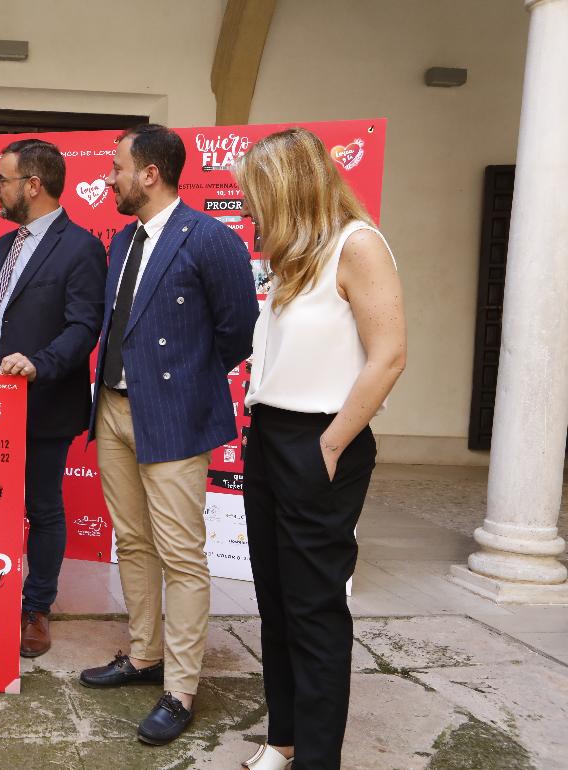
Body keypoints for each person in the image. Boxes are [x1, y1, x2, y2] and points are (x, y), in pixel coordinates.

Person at [79, 124, 258, 746]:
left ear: (149, 173)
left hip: (175, 416)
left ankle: (180, 689)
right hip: (114, 411)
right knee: (131, 542)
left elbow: (238, 330)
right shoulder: (124, 238)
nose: (109, 178)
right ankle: (143, 655)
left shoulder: (211, 240)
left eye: (117, 168)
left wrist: (183, 382)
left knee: (181, 554)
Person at [233, 127, 406, 770]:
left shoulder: (358, 246)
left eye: (253, 195)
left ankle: (318, 758)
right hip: (271, 437)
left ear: (286, 189)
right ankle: (284, 740)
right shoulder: (296, 253)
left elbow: (389, 357)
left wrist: (332, 444)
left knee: (315, 609)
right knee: (276, 602)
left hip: (321, 440)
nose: (247, 209)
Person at [0, 138, 105, 658]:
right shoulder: (10, 244)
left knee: (44, 508)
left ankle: (36, 607)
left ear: (32, 185)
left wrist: (40, 364)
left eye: (2, 179)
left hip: (42, 403)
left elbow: (84, 327)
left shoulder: (81, 247)